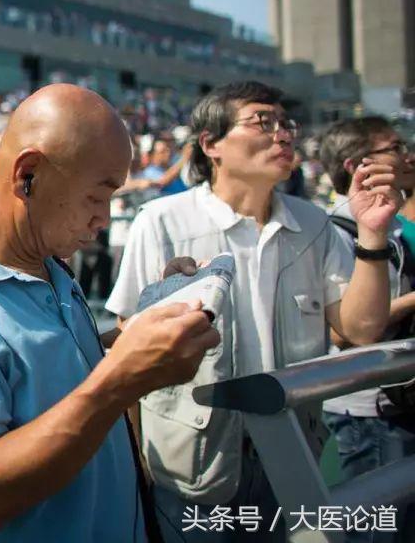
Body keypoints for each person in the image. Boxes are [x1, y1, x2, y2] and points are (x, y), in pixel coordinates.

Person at [0, 84, 220, 543]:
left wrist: (147, 324)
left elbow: (58, 371)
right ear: (28, 174)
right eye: (97, 197)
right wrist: (122, 380)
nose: (104, 218)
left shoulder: (47, 264)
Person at [106, 81, 397, 543]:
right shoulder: (162, 221)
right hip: (192, 465)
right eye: (263, 121)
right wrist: (136, 463)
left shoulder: (313, 222)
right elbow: (128, 347)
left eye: (287, 124)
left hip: (291, 453)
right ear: (211, 144)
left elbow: (360, 328)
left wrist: (373, 235)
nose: (283, 134)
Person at [318, 117, 415, 542]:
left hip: (398, 400)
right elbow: (343, 331)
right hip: (367, 408)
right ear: (356, 165)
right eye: (393, 148)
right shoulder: (334, 231)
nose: (406, 155)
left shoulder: (394, 226)